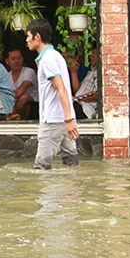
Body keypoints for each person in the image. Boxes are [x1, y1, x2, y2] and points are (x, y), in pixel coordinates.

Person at [25, 19, 79, 169]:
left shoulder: (48, 58)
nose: (27, 40)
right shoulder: (55, 55)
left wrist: (69, 120)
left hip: (53, 121)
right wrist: (69, 119)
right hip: (64, 119)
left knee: (41, 168)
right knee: (71, 165)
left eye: (28, 36)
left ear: (37, 37)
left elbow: (61, 88)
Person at [6, 49, 38, 118]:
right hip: (13, 102)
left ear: (22, 59)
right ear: (7, 61)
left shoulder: (29, 71)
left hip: (33, 104)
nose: (16, 61)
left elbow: (19, 92)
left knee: (24, 97)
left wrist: (7, 95)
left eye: (19, 58)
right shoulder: (6, 76)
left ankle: (11, 116)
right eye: (13, 59)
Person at [73, 47, 100, 119]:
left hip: (86, 109)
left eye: (94, 53)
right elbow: (78, 92)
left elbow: (98, 94)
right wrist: (74, 72)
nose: (91, 56)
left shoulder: (101, 73)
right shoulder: (91, 72)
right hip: (79, 103)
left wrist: (81, 99)